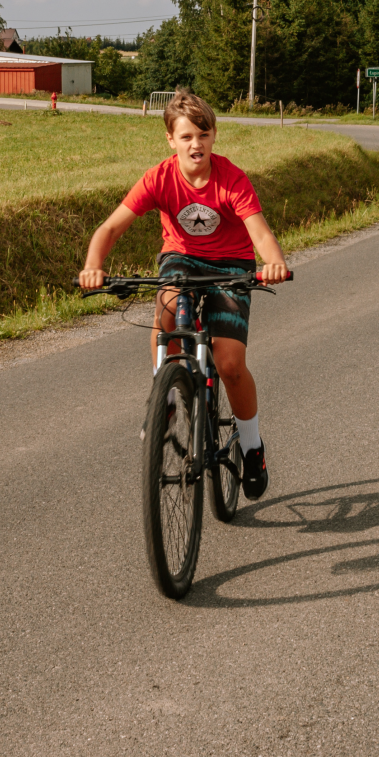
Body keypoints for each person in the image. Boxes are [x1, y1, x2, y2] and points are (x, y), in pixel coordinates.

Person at [78, 89, 291, 499]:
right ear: (171, 140)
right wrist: (94, 265)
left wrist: (273, 263)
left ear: (214, 136)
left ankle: (251, 447)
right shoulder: (159, 178)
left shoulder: (231, 179)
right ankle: (165, 398)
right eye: (187, 136)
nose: (197, 144)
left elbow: (260, 233)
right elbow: (110, 228)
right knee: (169, 304)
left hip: (231, 265)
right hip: (181, 257)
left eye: (204, 134)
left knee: (229, 364)